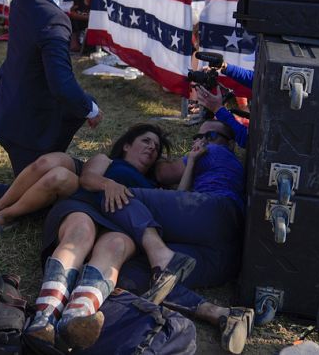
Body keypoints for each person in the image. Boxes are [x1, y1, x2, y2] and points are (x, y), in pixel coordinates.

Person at [27, 123, 253, 353]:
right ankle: (47, 321)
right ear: (126, 144)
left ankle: (66, 317)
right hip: (93, 210)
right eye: (146, 141)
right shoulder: (110, 162)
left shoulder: (168, 180)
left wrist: (190, 160)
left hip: (176, 221)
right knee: (109, 256)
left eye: (156, 146)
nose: (152, 148)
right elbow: (87, 179)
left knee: (125, 219)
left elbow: (175, 191)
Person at [0, 0, 103, 176]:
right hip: (27, 126)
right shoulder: (53, 19)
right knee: (37, 198)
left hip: (9, 107)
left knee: (82, 102)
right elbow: (61, 83)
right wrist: (90, 110)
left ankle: (45, 160)